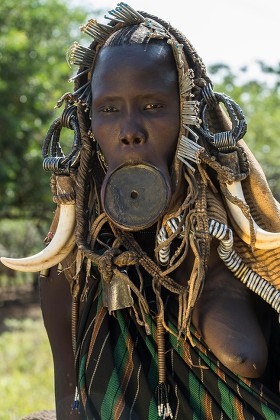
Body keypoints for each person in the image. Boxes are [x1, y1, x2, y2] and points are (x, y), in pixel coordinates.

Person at [1, 3, 280, 419]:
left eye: (152, 106)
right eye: (110, 110)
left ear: (188, 114)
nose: (129, 131)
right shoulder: (76, 261)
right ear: (87, 122)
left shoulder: (237, 246)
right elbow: (70, 402)